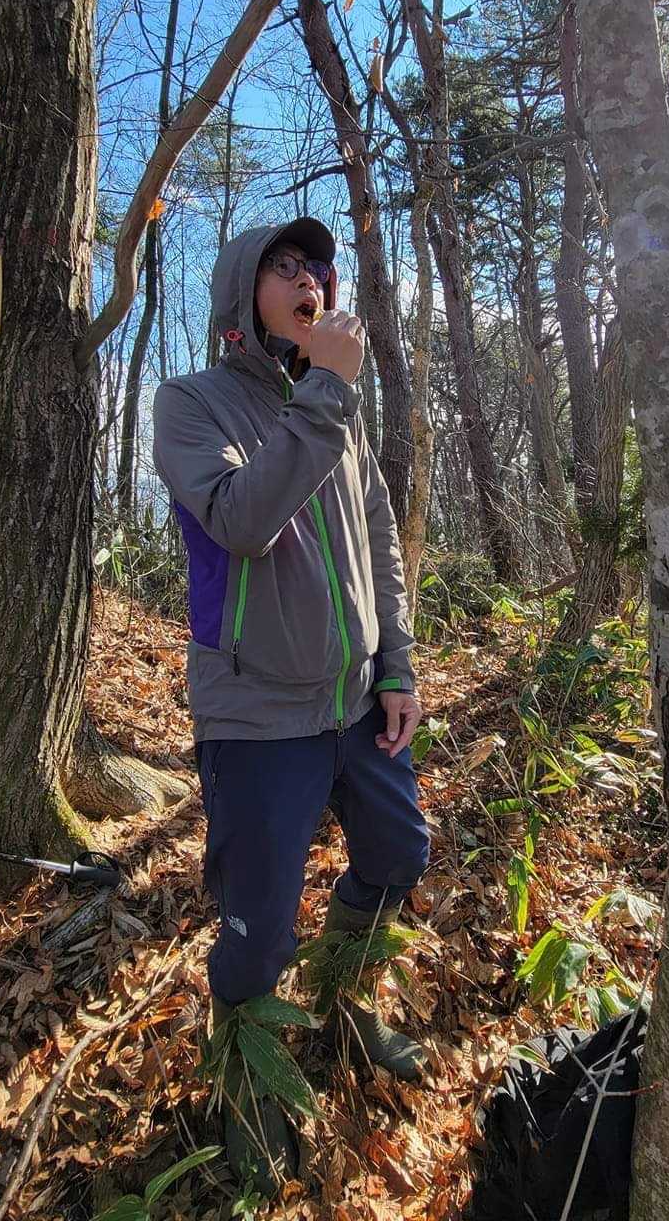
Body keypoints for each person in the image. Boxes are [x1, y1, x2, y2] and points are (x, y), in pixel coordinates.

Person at [152, 218, 431, 1192]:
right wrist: (327, 393)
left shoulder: (334, 405)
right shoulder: (190, 404)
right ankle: (247, 1080)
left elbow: (379, 541)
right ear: (242, 295)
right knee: (257, 923)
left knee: (399, 857)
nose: (311, 279)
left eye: (318, 267)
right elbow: (243, 522)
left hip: (357, 701)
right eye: (284, 266)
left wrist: (397, 667)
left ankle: (342, 998)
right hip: (257, 711)